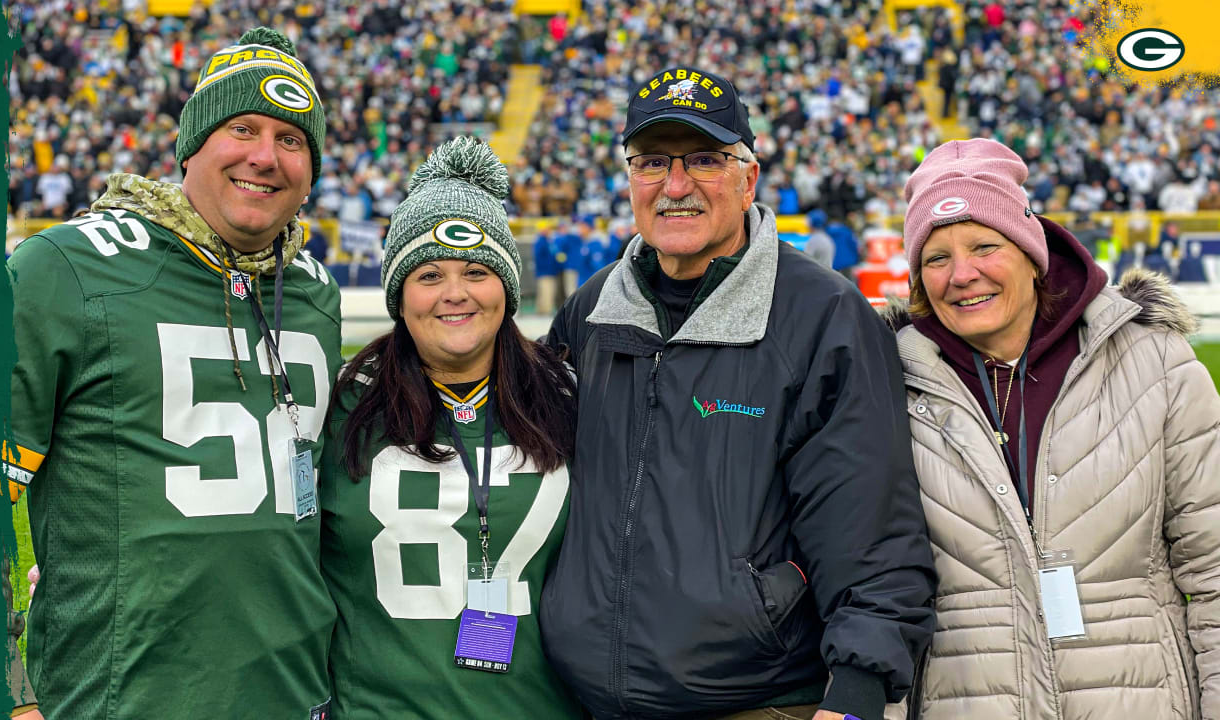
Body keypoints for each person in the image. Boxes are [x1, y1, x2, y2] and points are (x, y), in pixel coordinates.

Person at [541, 66, 936, 720]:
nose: (675, 186)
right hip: (588, 700)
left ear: (749, 177)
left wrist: (858, 694)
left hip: (760, 700)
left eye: (703, 160)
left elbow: (873, 533)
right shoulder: (591, 311)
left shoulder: (822, 315)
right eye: (651, 163)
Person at [3, 27, 340, 719]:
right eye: (242, 128)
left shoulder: (312, 291)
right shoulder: (64, 268)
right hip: (120, 700)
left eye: (292, 139)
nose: (265, 157)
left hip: (293, 696)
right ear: (190, 145)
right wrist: (11, 691)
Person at [883, 138, 1220, 720]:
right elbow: (875, 589)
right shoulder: (884, 380)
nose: (962, 275)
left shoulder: (1154, 361)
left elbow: (1213, 567)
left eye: (984, 245)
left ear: (1030, 251)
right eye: (936, 258)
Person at [321, 137, 583, 718]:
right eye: (429, 274)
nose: (455, 293)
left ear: (507, 289)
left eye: (476, 271)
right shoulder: (339, 406)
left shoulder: (568, 397)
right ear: (400, 294)